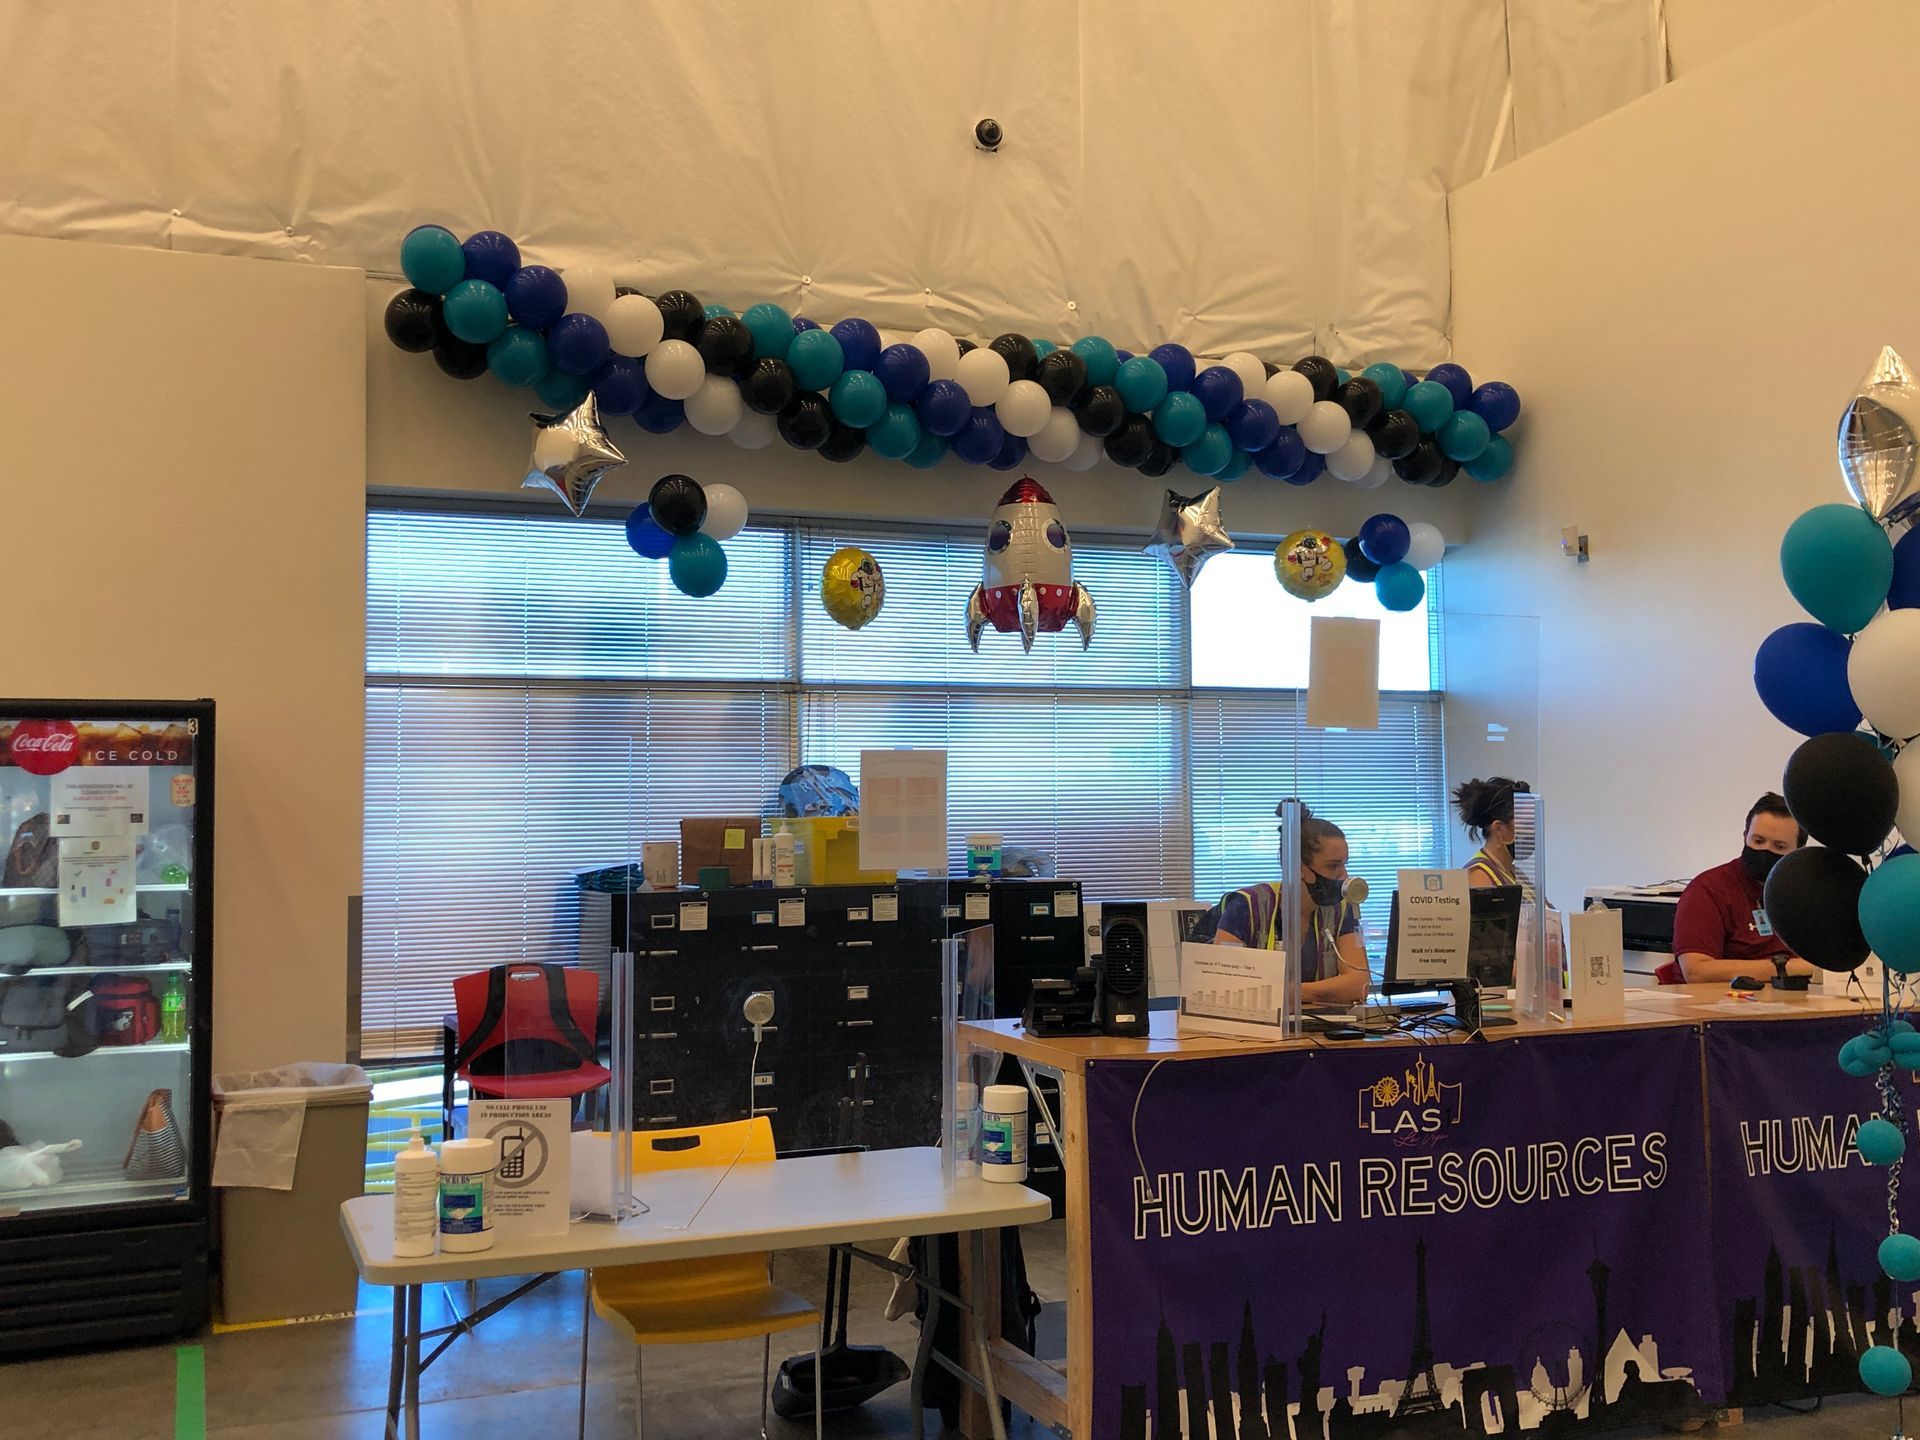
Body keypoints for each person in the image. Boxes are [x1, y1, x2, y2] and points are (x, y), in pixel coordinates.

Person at [1207, 803, 1370, 1005]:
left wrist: (1292, 992)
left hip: (1317, 1028)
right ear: (1298, 866)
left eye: (1345, 864)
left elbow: (1359, 985)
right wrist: (1323, 991)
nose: (1343, 875)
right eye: (1333, 865)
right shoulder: (1246, 906)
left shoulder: (1343, 909)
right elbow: (1222, 985)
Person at [1669, 793, 1815, 985]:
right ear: (1745, 836)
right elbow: (1696, 971)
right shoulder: (1708, 889)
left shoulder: (1809, 892)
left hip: (1793, 1001)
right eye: (1758, 841)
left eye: (1778, 846)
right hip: (1721, 1004)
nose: (1765, 851)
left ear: (1797, 851)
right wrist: (1785, 968)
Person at [1453, 776, 1530, 890]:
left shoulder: (1514, 873)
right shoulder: (1479, 877)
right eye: (1525, 825)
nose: (1532, 833)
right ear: (1498, 828)